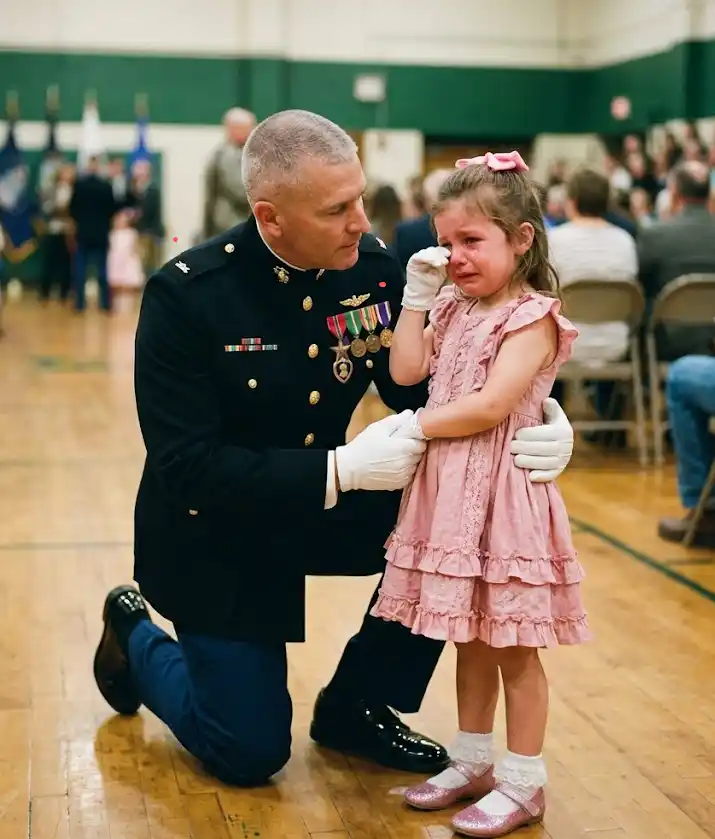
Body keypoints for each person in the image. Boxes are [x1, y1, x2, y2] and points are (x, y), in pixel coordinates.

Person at [91, 113, 576, 789]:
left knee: (458, 529)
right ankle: (136, 637)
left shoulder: (369, 271)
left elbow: (424, 395)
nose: (360, 220)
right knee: (248, 751)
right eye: (336, 209)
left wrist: (538, 416)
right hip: (219, 527)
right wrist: (340, 468)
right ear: (271, 216)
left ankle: (356, 702)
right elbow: (187, 469)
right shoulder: (188, 295)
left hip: (321, 506)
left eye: (360, 197)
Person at [370, 151, 591, 836]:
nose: (455, 256)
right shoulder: (450, 303)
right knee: (467, 636)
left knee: (513, 646)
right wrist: (414, 299)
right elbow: (407, 366)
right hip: (448, 493)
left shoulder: (530, 317)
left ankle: (523, 779)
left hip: (502, 496)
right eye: (445, 241)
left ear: (521, 238)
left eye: (471, 241)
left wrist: (409, 426)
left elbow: (491, 405)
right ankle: (471, 759)